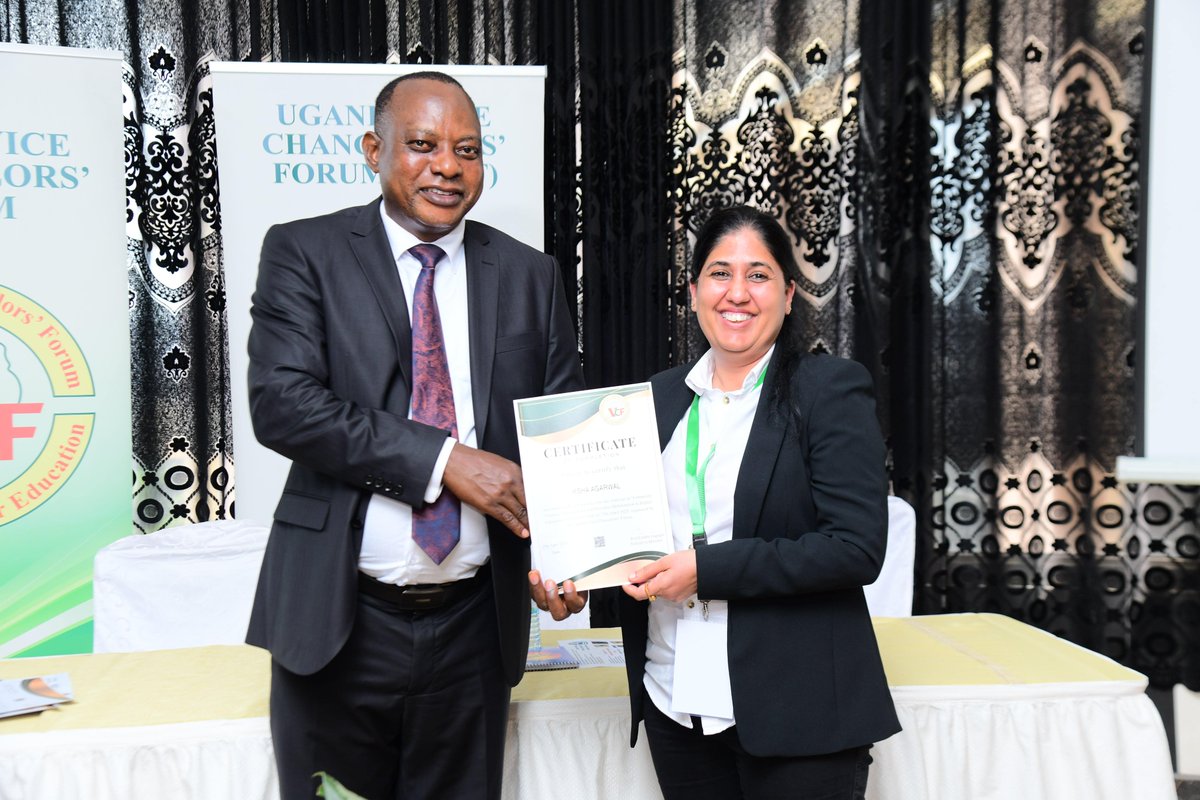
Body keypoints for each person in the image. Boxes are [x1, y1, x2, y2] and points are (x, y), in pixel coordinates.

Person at [245, 71, 585, 799]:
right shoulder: (305, 252)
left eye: (468, 149)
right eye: (423, 145)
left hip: (474, 629)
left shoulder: (530, 275)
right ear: (375, 150)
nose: (447, 167)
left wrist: (568, 557)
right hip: (339, 621)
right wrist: (445, 461)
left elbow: (557, 438)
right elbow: (283, 404)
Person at [617, 206, 901, 799]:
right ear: (693, 291)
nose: (737, 293)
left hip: (797, 712)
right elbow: (629, 533)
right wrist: (577, 577)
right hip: (675, 704)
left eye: (759, 275)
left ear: (789, 295)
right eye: (720, 273)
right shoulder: (656, 398)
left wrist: (708, 569)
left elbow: (854, 548)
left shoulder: (828, 389)